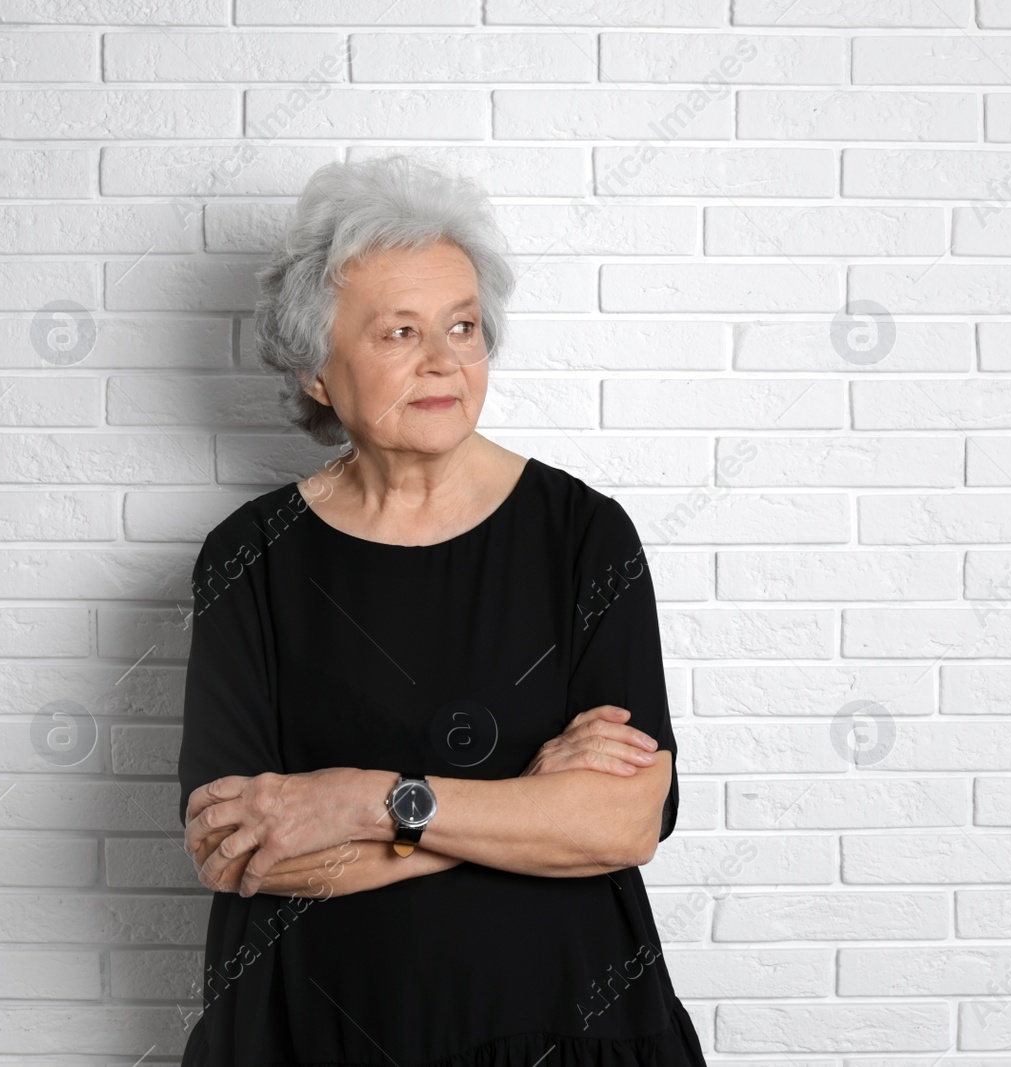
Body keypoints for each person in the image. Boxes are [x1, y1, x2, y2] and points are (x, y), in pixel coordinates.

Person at [175, 154, 703, 1067]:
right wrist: (534, 806)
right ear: (315, 371)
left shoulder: (584, 535)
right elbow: (237, 854)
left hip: (564, 1030)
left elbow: (621, 824)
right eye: (399, 333)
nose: (444, 362)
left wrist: (360, 799)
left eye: (463, 327)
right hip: (312, 1037)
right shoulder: (249, 560)